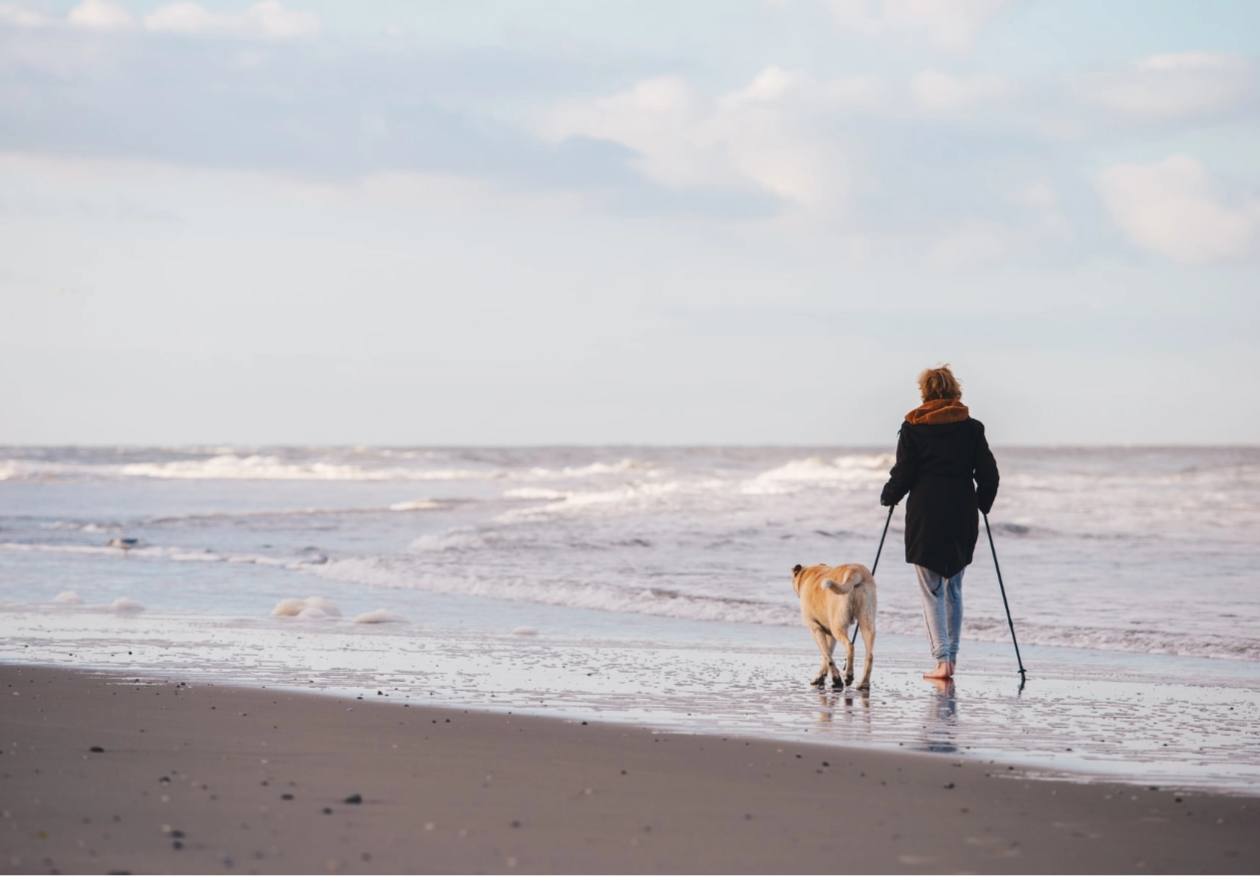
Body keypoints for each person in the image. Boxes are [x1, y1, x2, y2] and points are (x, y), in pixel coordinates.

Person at [880, 365, 999, 680]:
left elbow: (903, 472)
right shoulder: (972, 427)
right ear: (954, 390)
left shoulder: (913, 426)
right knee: (954, 588)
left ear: (926, 392)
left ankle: (942, 662)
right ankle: (952, 660)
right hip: (962, 512)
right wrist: (983, 503)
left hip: (926, 514)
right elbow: (989, 474)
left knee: (932, 589)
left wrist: (889, 496)